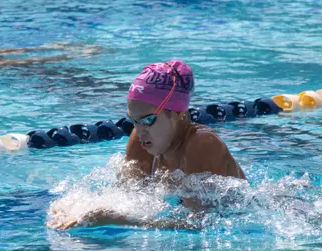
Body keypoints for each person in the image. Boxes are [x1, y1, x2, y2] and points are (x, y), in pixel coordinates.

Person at [48, 60, 246, 230]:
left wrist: (117, 220)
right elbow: (126, 197)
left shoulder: (202, 144)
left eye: (148, 120)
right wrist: (76, 207)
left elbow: (200, 223)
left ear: (179, 115)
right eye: (134, 121)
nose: (140, 130)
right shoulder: (141, 140)